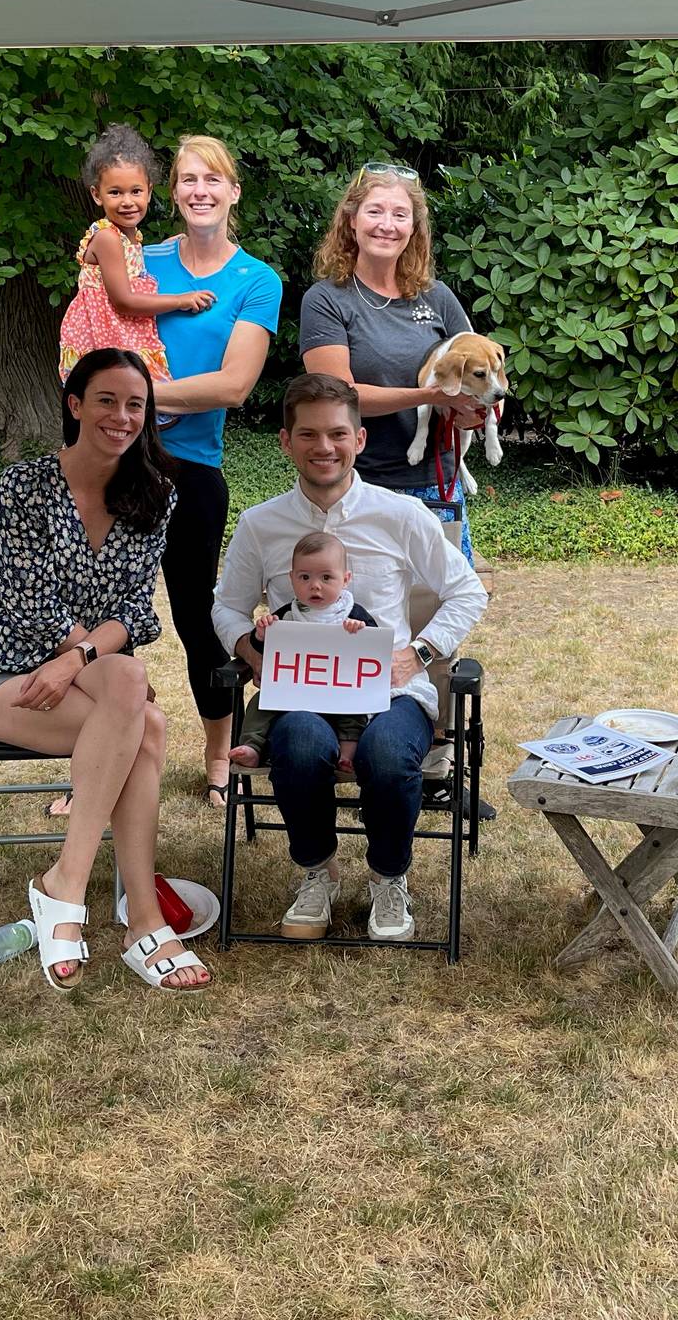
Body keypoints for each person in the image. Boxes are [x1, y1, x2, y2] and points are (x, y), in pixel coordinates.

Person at [0, 348, 211, 993]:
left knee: (127, 681)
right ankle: (142, 921)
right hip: (8, 672)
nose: (121, 416)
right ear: (75, 405)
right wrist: (86, 655)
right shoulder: (26, 485)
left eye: (135, 405)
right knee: (145, 721)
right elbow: (28, 600)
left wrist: (78, 659)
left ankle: (66, 886)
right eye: (106, 400)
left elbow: (136, 610)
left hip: (89, 668)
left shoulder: (156, 493)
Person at [212, 374, 488, 942]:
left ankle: (389, 876)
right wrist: (252, 655)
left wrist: (417, 654)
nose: (324, 447)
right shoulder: (261, 524)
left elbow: (467, 592)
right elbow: (227, 608)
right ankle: (318, 871)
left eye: (338, 433)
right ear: (285, 441)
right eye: (308, 434)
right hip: (301, 695)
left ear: (359, 439)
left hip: (392, 692)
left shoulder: (402, 514)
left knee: (386, 755)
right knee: (298, 743)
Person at [144, 135, 282, 808]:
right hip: (114, 463)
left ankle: (220, 755)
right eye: (187, 179)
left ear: (233, 192)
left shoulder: (256, 280)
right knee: (98, 615)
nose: (200, 190)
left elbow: (233, 386)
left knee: (196, 618)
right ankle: (104, 756)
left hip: (192, 470)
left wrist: (138, 397)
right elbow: (89, 348)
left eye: (213, 179)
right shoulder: (138, 264)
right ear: (173, 192)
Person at [299, 163, 489, 564]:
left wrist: (477, 411)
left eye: (400, 215)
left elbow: (484, 377)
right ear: (352, 220)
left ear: (413, 228)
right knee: (354, 602)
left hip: (436, 486)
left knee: (443, 600)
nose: (387, 225)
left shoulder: (438, 297)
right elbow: (338, 398)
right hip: (356, 486)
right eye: (375, 211)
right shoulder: (326, 300)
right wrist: (431, 395)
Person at [57, 124, 214, 398]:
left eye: (136, 191)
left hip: (121, 333)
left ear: (149, 192)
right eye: (115, 193)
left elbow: (131, 265)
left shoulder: (130, 238)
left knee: (140, 403)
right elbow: (124, 301)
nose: (127, 201)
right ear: (97, 195)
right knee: (126, 399)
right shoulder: (107, 238)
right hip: (105, 338)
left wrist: (168, 246)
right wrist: (181, 300)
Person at [226, 530, 382, 774]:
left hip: (341, 694)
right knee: (261, 704)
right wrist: (261, 636)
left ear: (345, 579)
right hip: (294, 698)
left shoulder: (352, 613)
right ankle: (252, 747)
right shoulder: (287, 615)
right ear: (292, 578)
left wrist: (360, 632)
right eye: (305, 577)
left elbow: (374, 649)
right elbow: (262, 651)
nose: (315, 585)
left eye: (326, 577)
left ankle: (347, 755)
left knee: (355, 714)